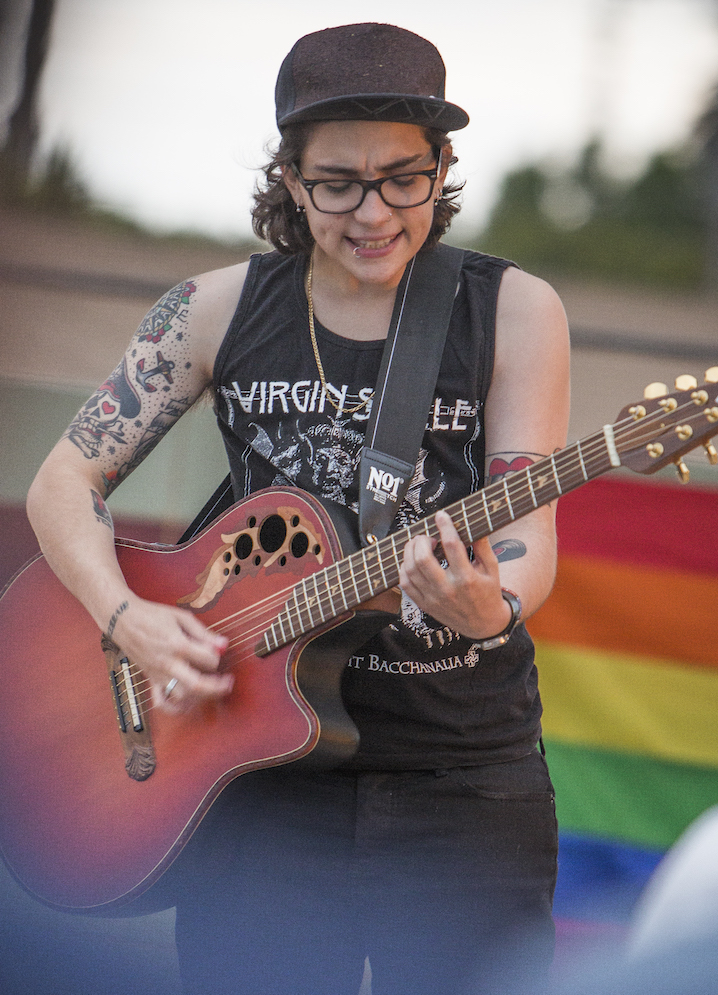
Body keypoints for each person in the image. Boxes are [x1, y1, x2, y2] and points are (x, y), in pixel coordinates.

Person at [26, 22, 569, 995]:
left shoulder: (515, 310)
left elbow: (525, 534)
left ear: (441, 165)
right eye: (336, 184)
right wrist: (128, 619)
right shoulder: (210, 309)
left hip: (460, 777)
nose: (373, 212)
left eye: (402, 177)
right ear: (288, 176)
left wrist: (493, 609)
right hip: (255, 781)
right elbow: (63, 482)